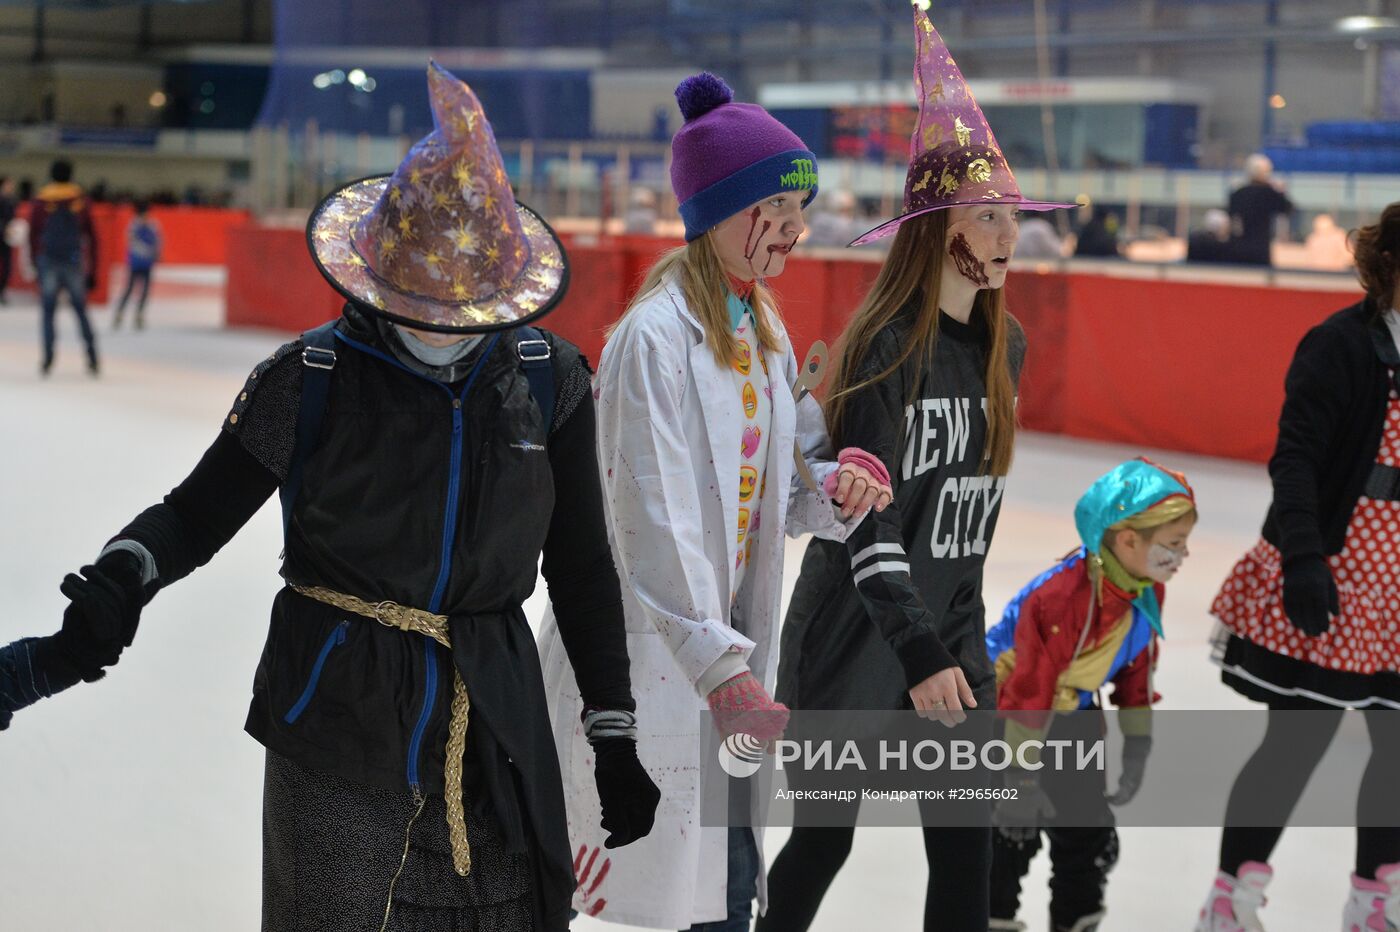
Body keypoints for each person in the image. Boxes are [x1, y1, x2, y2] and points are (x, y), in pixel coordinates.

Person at [0, 63, 659, 932]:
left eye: (466, 308)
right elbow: (195, 515)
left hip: (493, 719)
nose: (443, 325)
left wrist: (612, 729)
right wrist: (124, 574)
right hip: (338, 717)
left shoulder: (550, 382)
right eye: (423, 301)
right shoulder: (310, 379)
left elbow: (578, 565)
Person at [537, 72, 891, 931]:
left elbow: (787, 485)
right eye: (778, 207)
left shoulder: (757, 327)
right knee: (620, 884)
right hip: (658, 663)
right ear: (720, 212)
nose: (797, 230)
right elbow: (645, 520)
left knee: (723, 896)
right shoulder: (651, 339)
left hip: (724, 675)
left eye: (799, 211)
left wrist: (838, 484)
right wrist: (721, 670)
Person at [760, 8, 1072, 932]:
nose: (1008, 233)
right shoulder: (884, 353)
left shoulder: (1003, 346)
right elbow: (868, 521)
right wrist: (920, 650)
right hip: (855, 634)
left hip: (951, 629)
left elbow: (963, 526)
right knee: (825, 840)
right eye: (987, 214)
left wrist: (958, 646)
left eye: (1013, 214)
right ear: (937, 230)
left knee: (966, 838)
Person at [1198, 201, 1400, 932]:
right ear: (1388, 269)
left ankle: (1374, 898)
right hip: (1336, 564)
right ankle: (1230, 897)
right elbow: (1296, 459)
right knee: (1297, 741)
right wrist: (1305, 557)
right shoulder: (1338, 345)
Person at [986, 459, 1197, 932]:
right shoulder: (1062, 597)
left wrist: (1138, 745)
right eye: (1174, 544)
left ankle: (1075, 919)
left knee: (1087, 836)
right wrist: (1020, 781)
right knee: (1009, 837)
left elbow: (1135, 671)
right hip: (1011, 720)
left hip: (1074, 714)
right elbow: (1029, 688)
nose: (1183, 557)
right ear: (1126, 541)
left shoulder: (1144, 589)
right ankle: (992, 917)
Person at [29, 158, 100, 375]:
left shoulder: (42, 201)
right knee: (80, 310)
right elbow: (92, 237)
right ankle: (92, 355)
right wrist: (93, 269)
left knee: (48, 311)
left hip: (49, 261)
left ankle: (48, 357)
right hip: (73, 261)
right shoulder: (80, 200)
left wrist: (35, 263)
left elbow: (33, 235)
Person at [1227, 153, 1293, 267]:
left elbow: (1230, 220)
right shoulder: (1270, 193)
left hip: (1238, 249)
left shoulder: (1238, 194)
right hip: (1261, 250)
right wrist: (1280, 191)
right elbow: (1288, 208)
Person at [113, 199, 161, 330]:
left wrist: (157, 253)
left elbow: (158, 241)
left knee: (145, 290)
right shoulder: (133, 225)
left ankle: (139, 314)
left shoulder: (152, 225)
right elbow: (131, 242)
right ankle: (120, 313)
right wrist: (148, 251)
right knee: (129, 289)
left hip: (147, 263)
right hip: (136, 262)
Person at [0, 175, 16, 304]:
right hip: (3, 234)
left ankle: (1, 292)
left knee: (7, 266)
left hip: (7, 238)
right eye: (9, 184)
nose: (11, 187)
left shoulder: (11, 201)